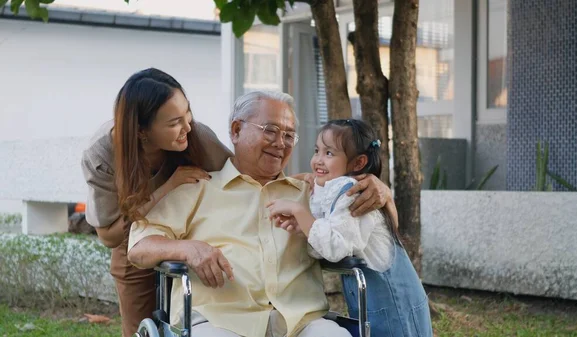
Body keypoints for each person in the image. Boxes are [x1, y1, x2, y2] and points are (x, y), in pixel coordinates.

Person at [127, 91, 394, 337]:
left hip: (300, 323)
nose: (280, 143)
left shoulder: (312, 194)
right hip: (219, 322)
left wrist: (381, 190)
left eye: (289, 135)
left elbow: (367, 228)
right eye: (271, 131)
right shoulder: (196, 188)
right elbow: (139, 247)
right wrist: (188, 249)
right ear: (236, 130)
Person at [81, 68, 232, 337]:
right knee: (141, 328)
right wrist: (166, 188)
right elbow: (109, 235)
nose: (187, 127)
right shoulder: (103, 154)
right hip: (135, 243)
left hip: (196, 234)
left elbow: (240, 179)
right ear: (142, 131)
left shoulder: (196, 136)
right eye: (174, 122)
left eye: (188, 114)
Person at [267, 119, 433, 337]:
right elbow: (325, 243)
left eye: (329, 153)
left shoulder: (352, 193)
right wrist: (303, 226)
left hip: (396, 303)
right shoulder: (332, 191)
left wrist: (300, 213)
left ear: (358, 163)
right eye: (317, 150)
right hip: (375, 302)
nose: (318, 159)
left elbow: (335, 247)